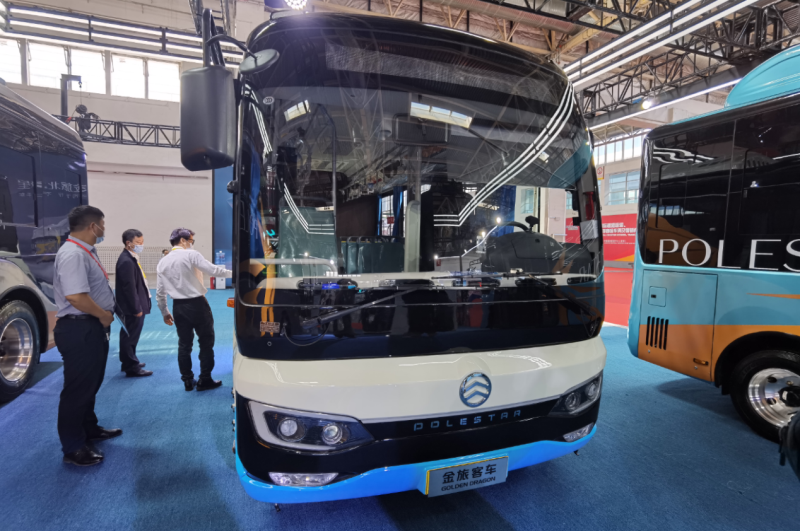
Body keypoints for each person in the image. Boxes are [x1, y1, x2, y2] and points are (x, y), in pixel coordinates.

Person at [53, 205, 122, 467]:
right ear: (93, 226)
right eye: (102, 224)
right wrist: (103, 315)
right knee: (78, 389)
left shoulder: (85, 251)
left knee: (90, 383)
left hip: (90, 326)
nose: (104, 229)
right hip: (80, 328)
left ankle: (89, 428)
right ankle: (73, 446)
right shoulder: (73, 254)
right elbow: (76, 297)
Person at [156, 228, 231, 391]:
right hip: (197, 305)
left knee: (184, 344)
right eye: (191, 240)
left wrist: (164, 312)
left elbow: (160, 291)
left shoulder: (163, 261)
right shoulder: (191, 254)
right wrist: (236, 273)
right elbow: (214, 270)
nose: (192, 244)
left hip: (178, 307)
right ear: (183, 240)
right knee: (206, 342)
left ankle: (188, 381)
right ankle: (205, 379)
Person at [115, 229, 153, 377]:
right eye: (138, 242)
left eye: (142, 242)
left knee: (131, 335)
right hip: (131, 308)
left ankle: (129, 360)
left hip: (135, 304)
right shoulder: (126, 261)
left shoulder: (131, 257)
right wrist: (136, 308)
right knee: (129, 336)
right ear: (128, 243)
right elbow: (129, 288)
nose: (141, 245)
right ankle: (131, 366)